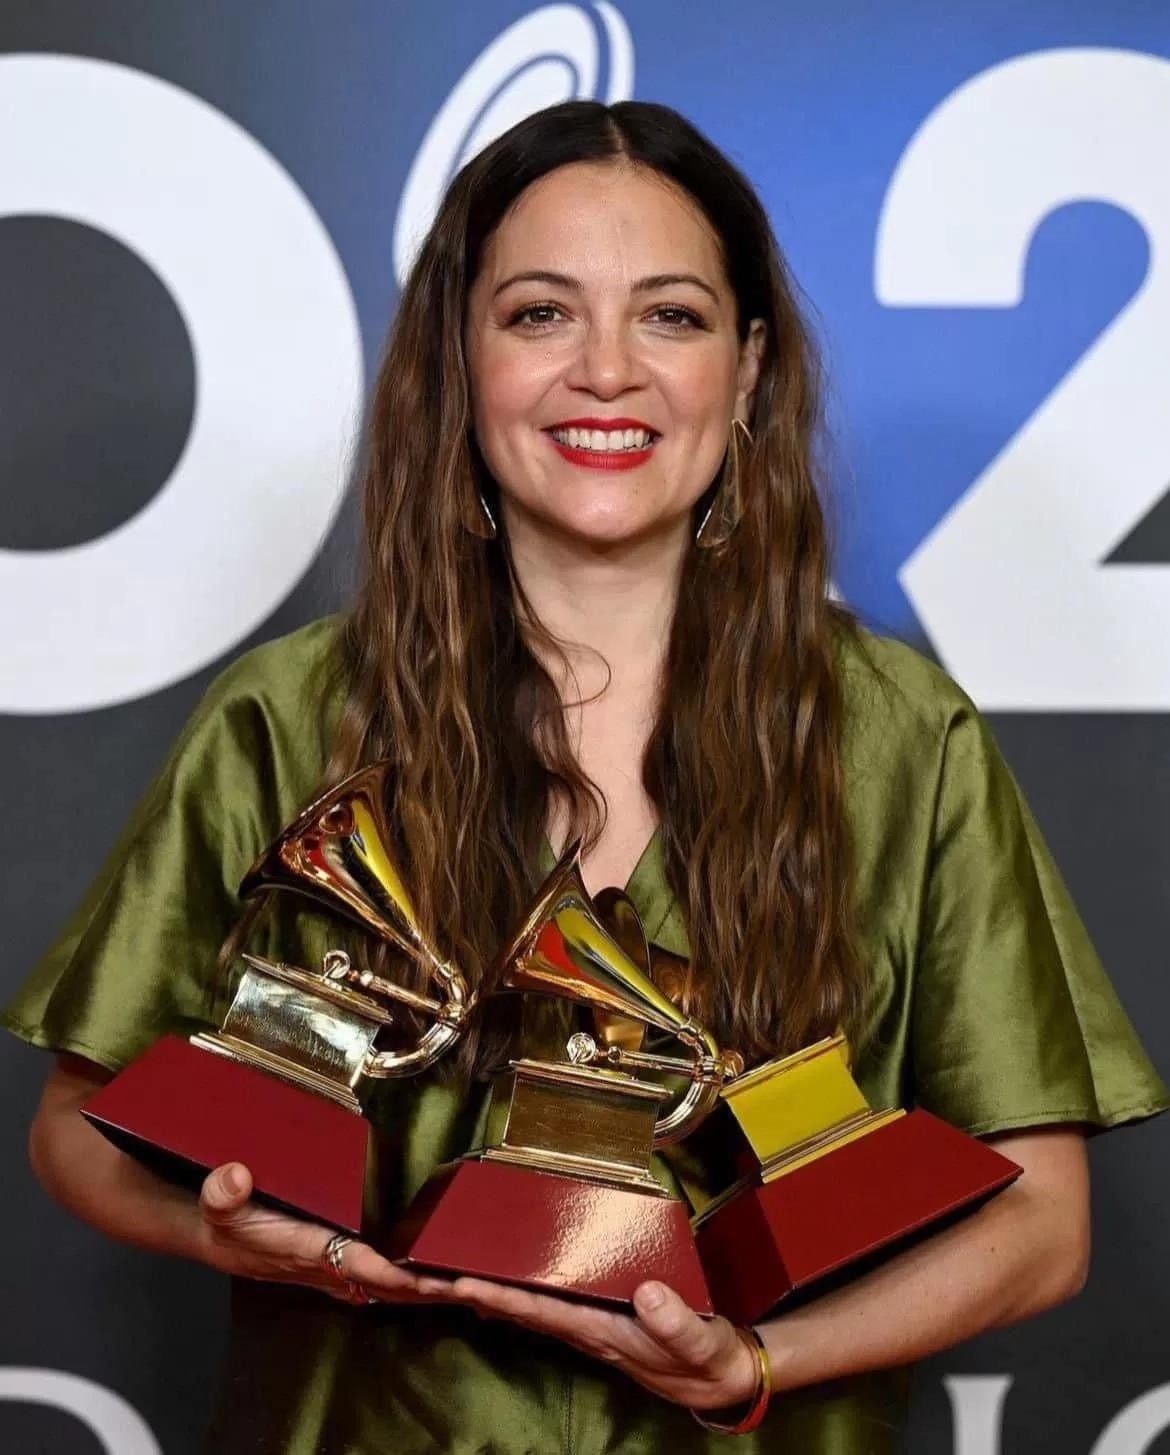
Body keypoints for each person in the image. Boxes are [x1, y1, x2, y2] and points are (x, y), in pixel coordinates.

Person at [5, 99, 1167, 1454]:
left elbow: (1042, 1224)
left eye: (669, 316)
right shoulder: (287, 716)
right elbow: (75, 1130)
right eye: (540, 314)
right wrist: (231, 1234)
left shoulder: (905, 737)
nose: (606, 371)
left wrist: (753, 1362)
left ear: (746, 372)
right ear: (459, 363)